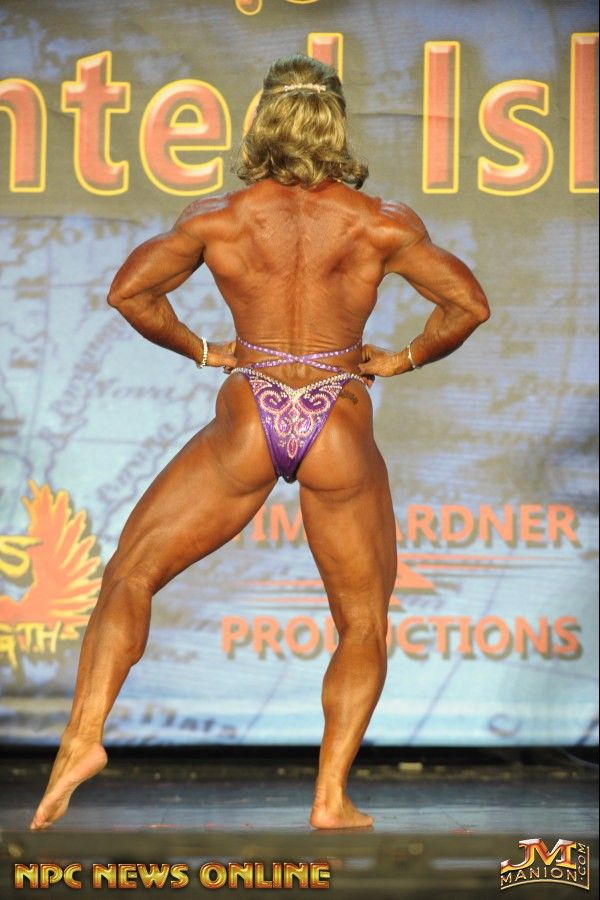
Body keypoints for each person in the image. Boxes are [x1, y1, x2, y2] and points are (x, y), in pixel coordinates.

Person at [31, 53, 489, 831]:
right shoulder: (381, 222)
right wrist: (403, 358)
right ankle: (330, 797)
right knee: (363, 624)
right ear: (336, 124)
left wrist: (202, 350)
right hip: (339, 419)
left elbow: (129, 292)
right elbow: (468, 306)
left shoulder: (222, 217)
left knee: (131, 574)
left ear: (261, 122)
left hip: (250, 414)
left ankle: (82, 739)